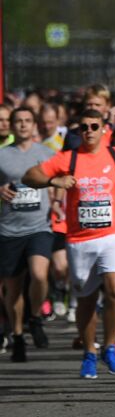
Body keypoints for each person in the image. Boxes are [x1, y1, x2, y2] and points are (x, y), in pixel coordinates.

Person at [24, 107, 115, 378]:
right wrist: (54, 179)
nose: (89, 131)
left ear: (104, 128)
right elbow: (29, 177)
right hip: (80, 239)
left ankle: (109, 347)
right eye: (84, 127)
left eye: (94, 126)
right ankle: (90, 353)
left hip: (113, 234)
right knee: (86, 300)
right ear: (78, 130)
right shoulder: (68, 158)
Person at [0, 107, 55, 361]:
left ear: (34, 125)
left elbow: (62, 179)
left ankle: (34, 317)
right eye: (18, 121)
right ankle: (19, 335)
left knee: (39, 275)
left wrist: (56, 201)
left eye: (27, 121)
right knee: (13, 289)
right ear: (11, 126)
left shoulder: (46, 154)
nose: (22, 125)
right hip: (9, 230)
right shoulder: (2, 156)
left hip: (39, 227)